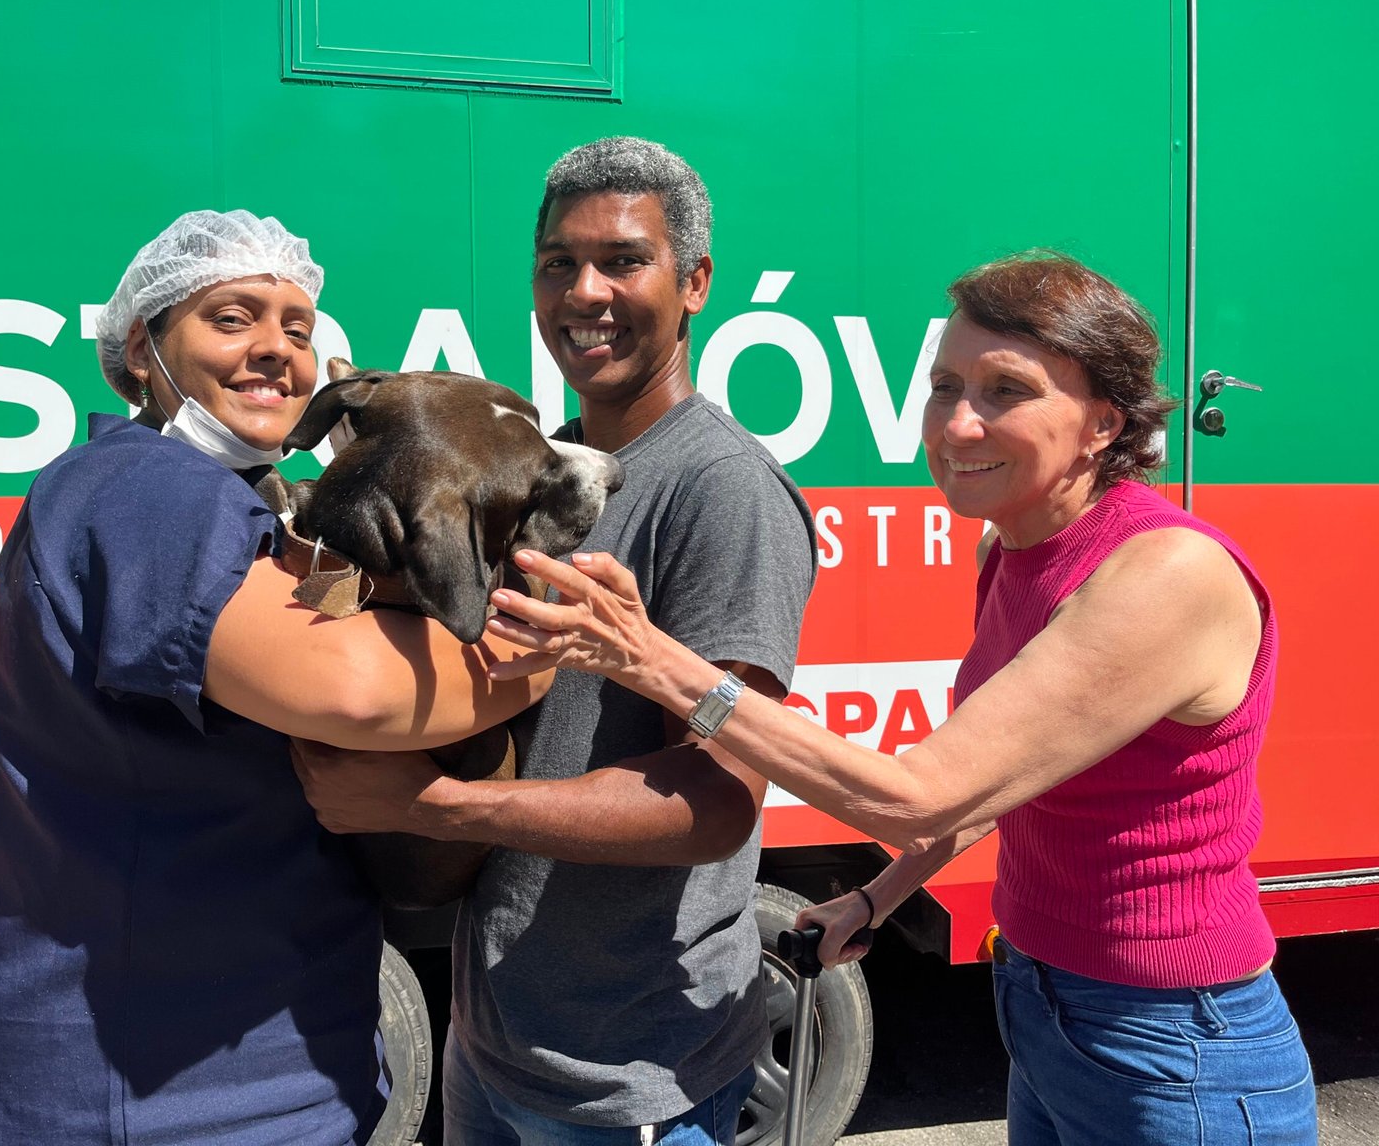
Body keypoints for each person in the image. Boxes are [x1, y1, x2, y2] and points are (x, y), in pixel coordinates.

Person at [485, 252, 1318, 1146]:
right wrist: (878, 898)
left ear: (1102, 424)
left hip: (1177, 1048)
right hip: (1044, 1007)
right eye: (944, 385)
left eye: (1007, 390)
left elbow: (916, 791)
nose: (958, 423)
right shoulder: (1010, 552)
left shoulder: (1165, 573)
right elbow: (1001, 778)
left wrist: (652, 659)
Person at [0, 210, 548, 1145]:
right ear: (143, 348)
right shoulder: (146, 486)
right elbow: (355, 691)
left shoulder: (230, 502)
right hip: (146, 1096)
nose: (276, 352)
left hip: (242, 1073)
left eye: (298, 330)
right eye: (232, 318)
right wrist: (546, 652)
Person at [295, 137, 818, 1144]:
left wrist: (433, 805)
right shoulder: (528, 465)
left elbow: (715, 802)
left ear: (695, 282)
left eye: (622, 261)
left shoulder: (722, 490)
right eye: (556, 263)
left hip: (628, 1080)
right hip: (495, 1046)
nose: (584, 292)